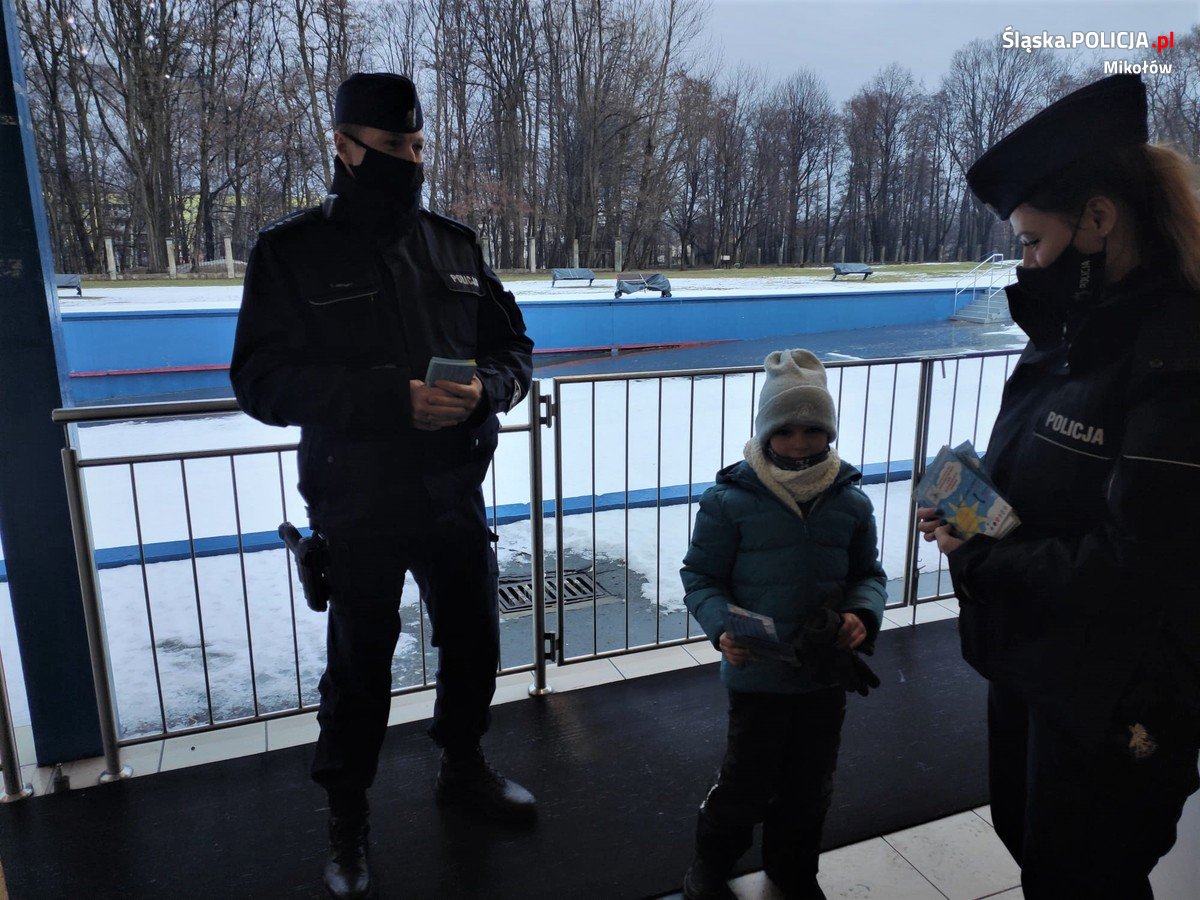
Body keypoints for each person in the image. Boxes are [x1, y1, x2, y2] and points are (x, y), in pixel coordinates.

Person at [230, 72, 536, 900]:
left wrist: (486, 391)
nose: (412, 159)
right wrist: (383, 399)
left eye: (418, 144)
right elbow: (258, 382)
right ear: (344, 145)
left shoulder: (455, 246)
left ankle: (462, 767)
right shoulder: (289, 253)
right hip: (357, 501)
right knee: (360, 667)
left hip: (451, 494)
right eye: (395, 147)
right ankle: (348, 821)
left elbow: (515, 353)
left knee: (473, 642)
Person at [917, 73, 1200, 899]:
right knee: (1034, 843)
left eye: (1034, 241)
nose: (1027, 262)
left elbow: (1140, 564)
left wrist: (979, 555)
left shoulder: (1176, 355)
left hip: (1115, 692)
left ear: (1099, 219)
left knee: (1084, 873)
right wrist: (974, 502)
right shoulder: (1083, 324)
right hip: (1046, 662)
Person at [679, 349, 887, 900]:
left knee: (809, 784)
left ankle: (794, 870)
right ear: (766, 432)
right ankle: (712, 861)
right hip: (758, 679)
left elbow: (869, 573)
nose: (799, 444)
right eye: (786, 430)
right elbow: (700, 575)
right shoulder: (729, 501)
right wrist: (721, 626)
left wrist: (861, 614)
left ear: (830, 433)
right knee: (746, 781)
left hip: (824, 675)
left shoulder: (852, 504)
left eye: (813, 430)